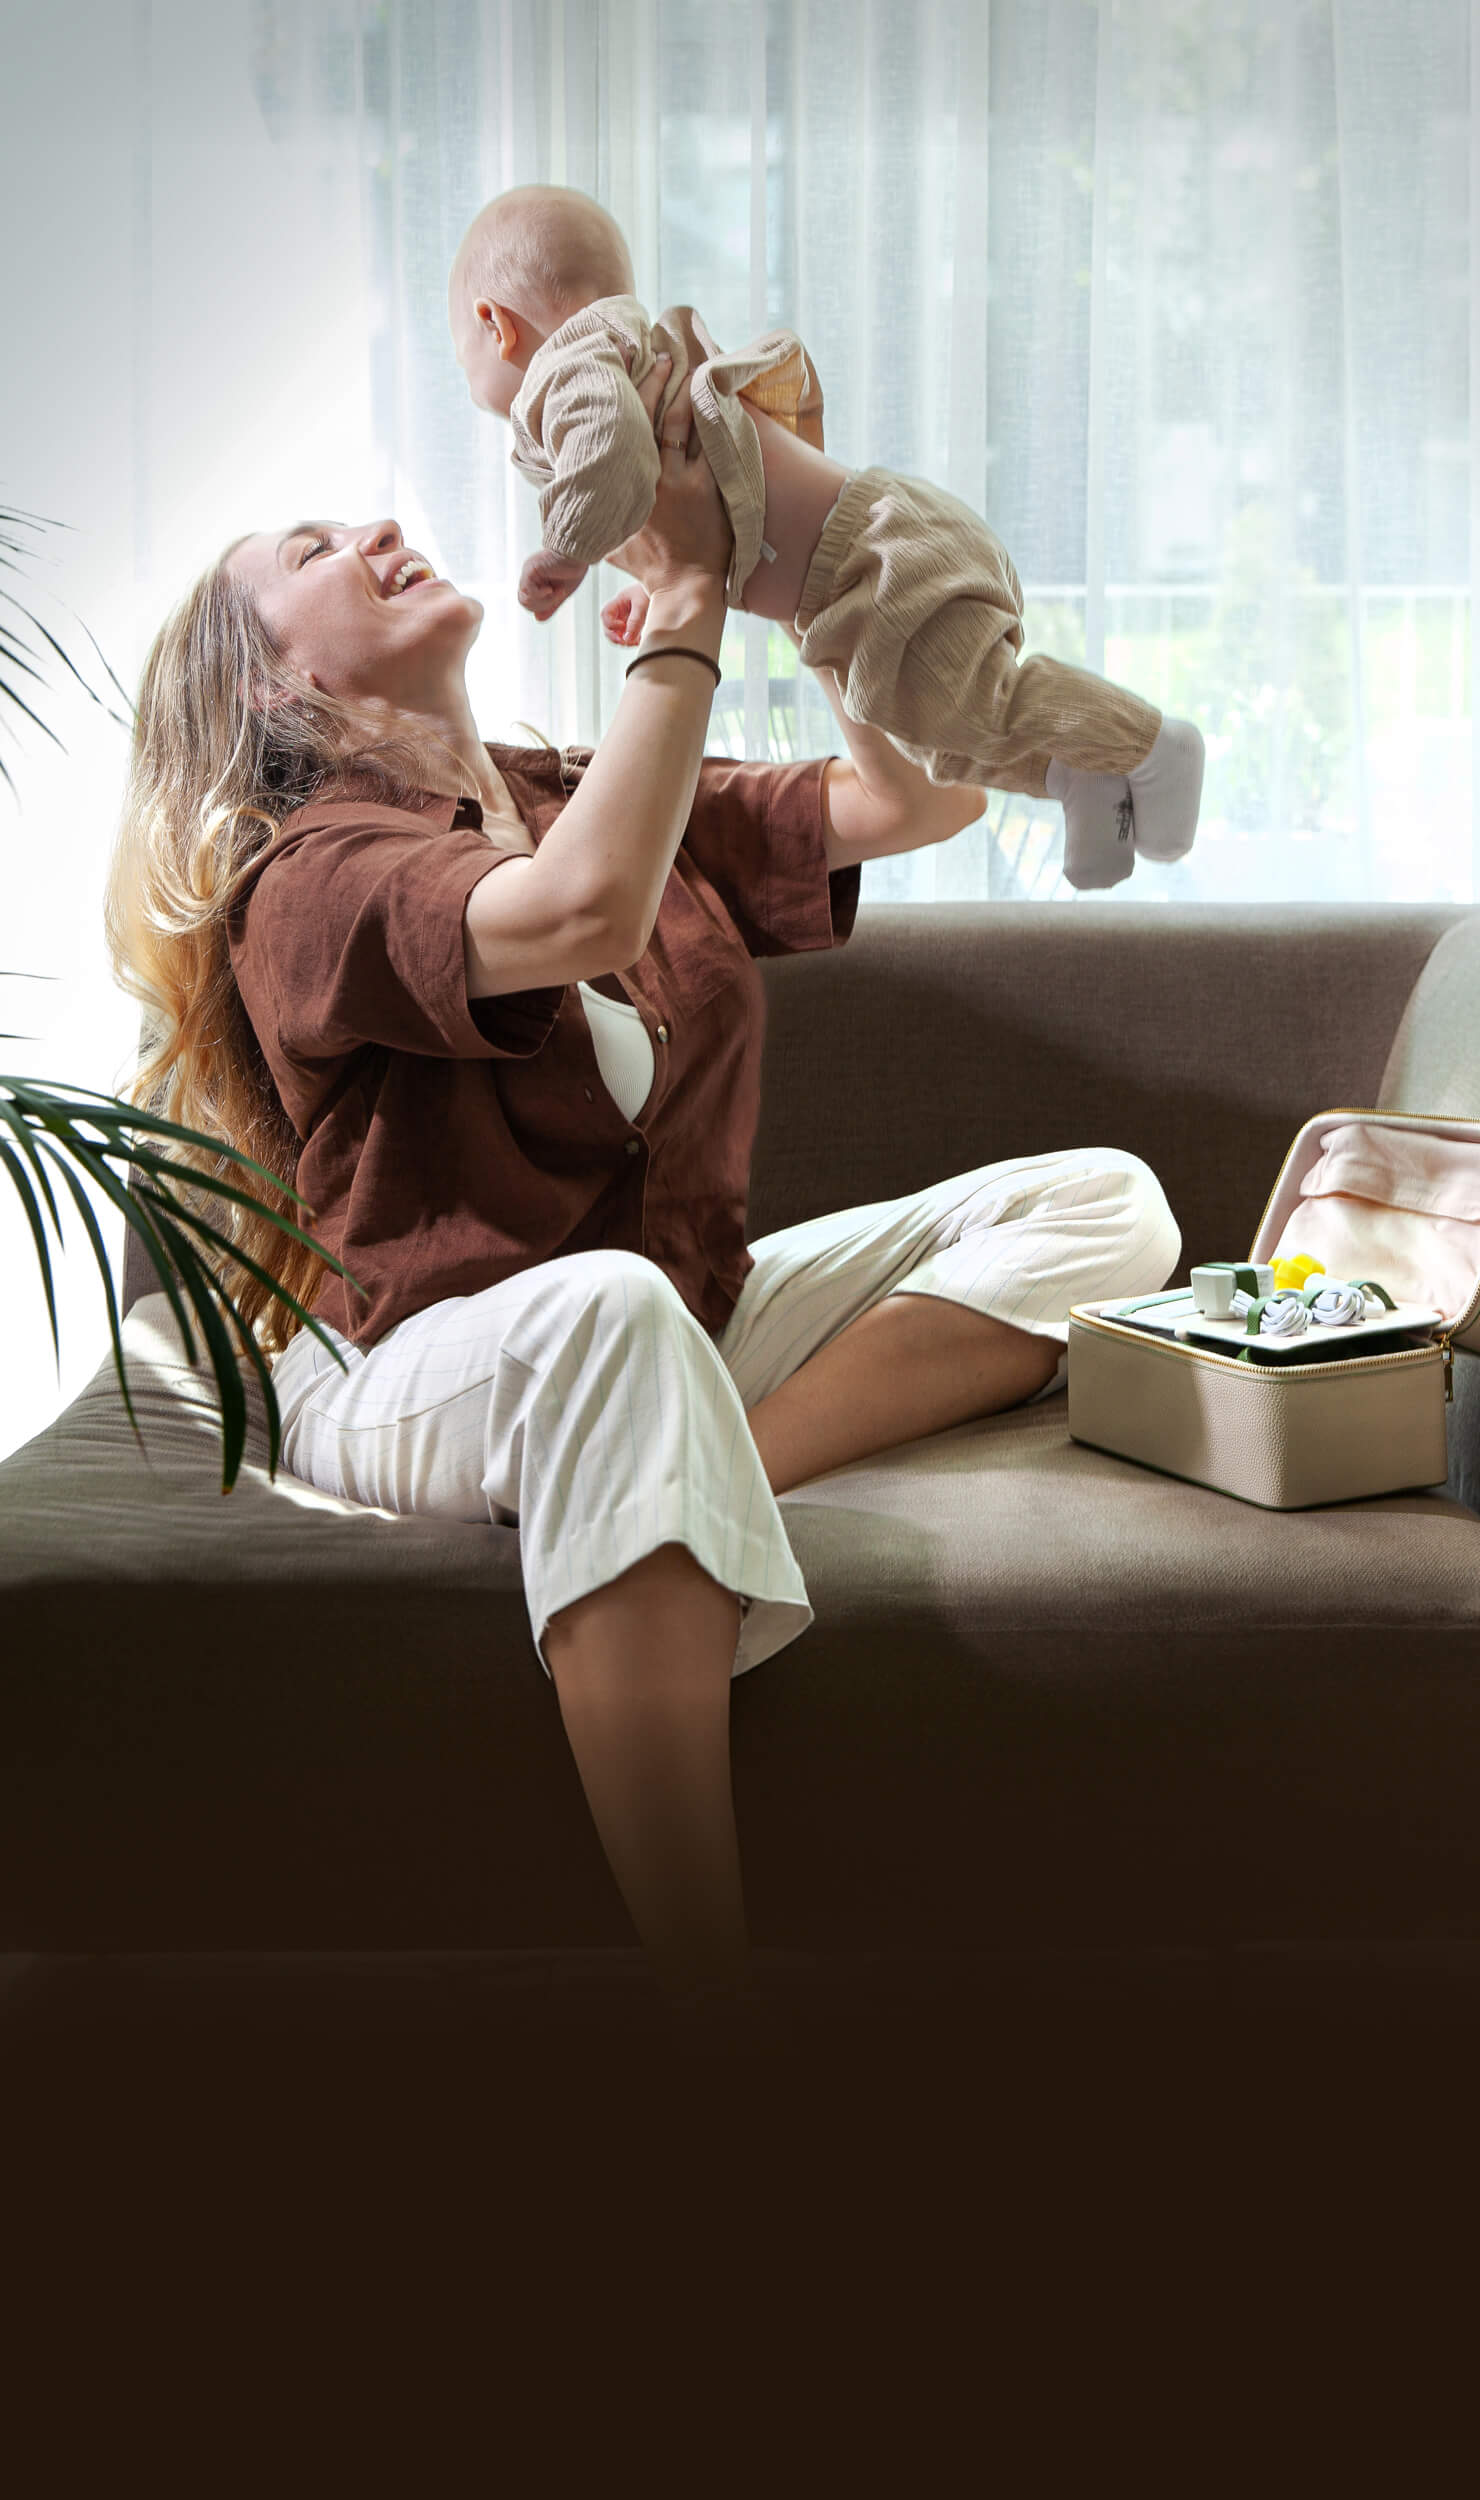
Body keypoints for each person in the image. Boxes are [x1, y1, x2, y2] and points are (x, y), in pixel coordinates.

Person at [103, 356, 1180, 2030]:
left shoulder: (559, 786)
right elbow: (582, 914)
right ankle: (707, 2008)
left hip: (669, 1326)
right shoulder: (306, 881)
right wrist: (678, 612)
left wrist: (800, 569)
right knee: (608, 1319)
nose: (374, 530)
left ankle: (701, 1468)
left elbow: (919, 798)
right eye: (313, 551)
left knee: (1106, 1201)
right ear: (278, 685)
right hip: (419, 1365)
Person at [448, 182, 1205, 893]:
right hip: (864, 562)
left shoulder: (569, 365)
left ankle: (1155, 744)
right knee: (939, 737)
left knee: (980, 704)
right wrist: (654, 589)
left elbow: (606, 458)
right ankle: (1080, 775)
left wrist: (565, 551)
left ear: (496, 325)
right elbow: (703, 507)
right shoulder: (629, 360)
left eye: (465, 365)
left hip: (874, 555)